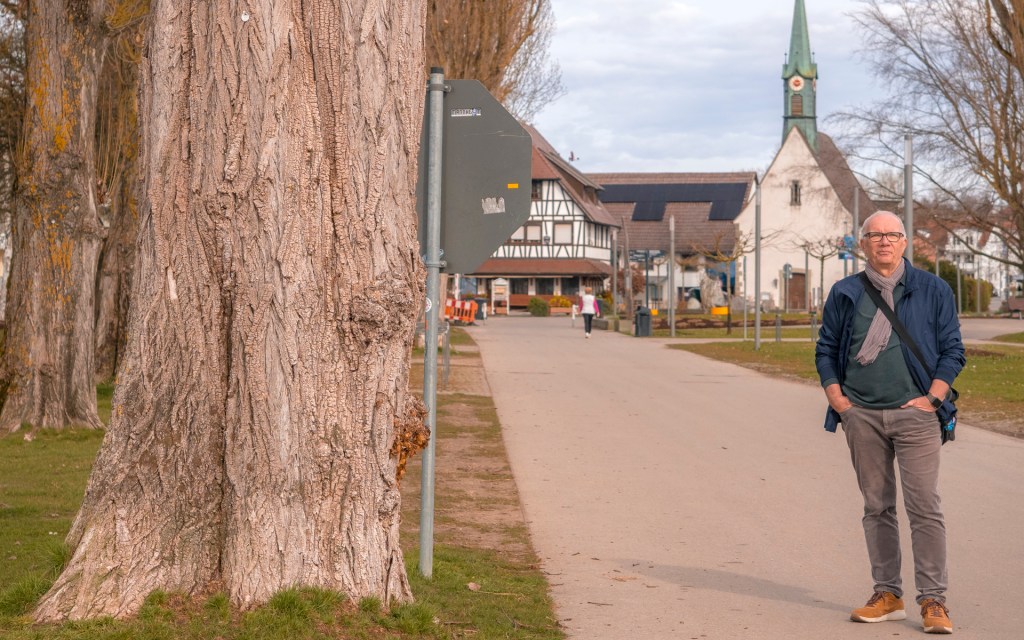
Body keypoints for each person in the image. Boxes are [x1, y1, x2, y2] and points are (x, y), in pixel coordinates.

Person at [815, 211, 965, 635]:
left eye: (892, 234)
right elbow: (826, 348)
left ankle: (933, 600)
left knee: (924, 508)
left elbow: (953, 349)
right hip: (861, 415)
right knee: (877, 507)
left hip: (916, 415)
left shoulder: (932, 289)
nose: (884, 241)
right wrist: (839, 400)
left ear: (904, 242)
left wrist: (933, 397)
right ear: (862, 243)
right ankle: (888, 595)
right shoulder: (846, 292)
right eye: (875, 235)